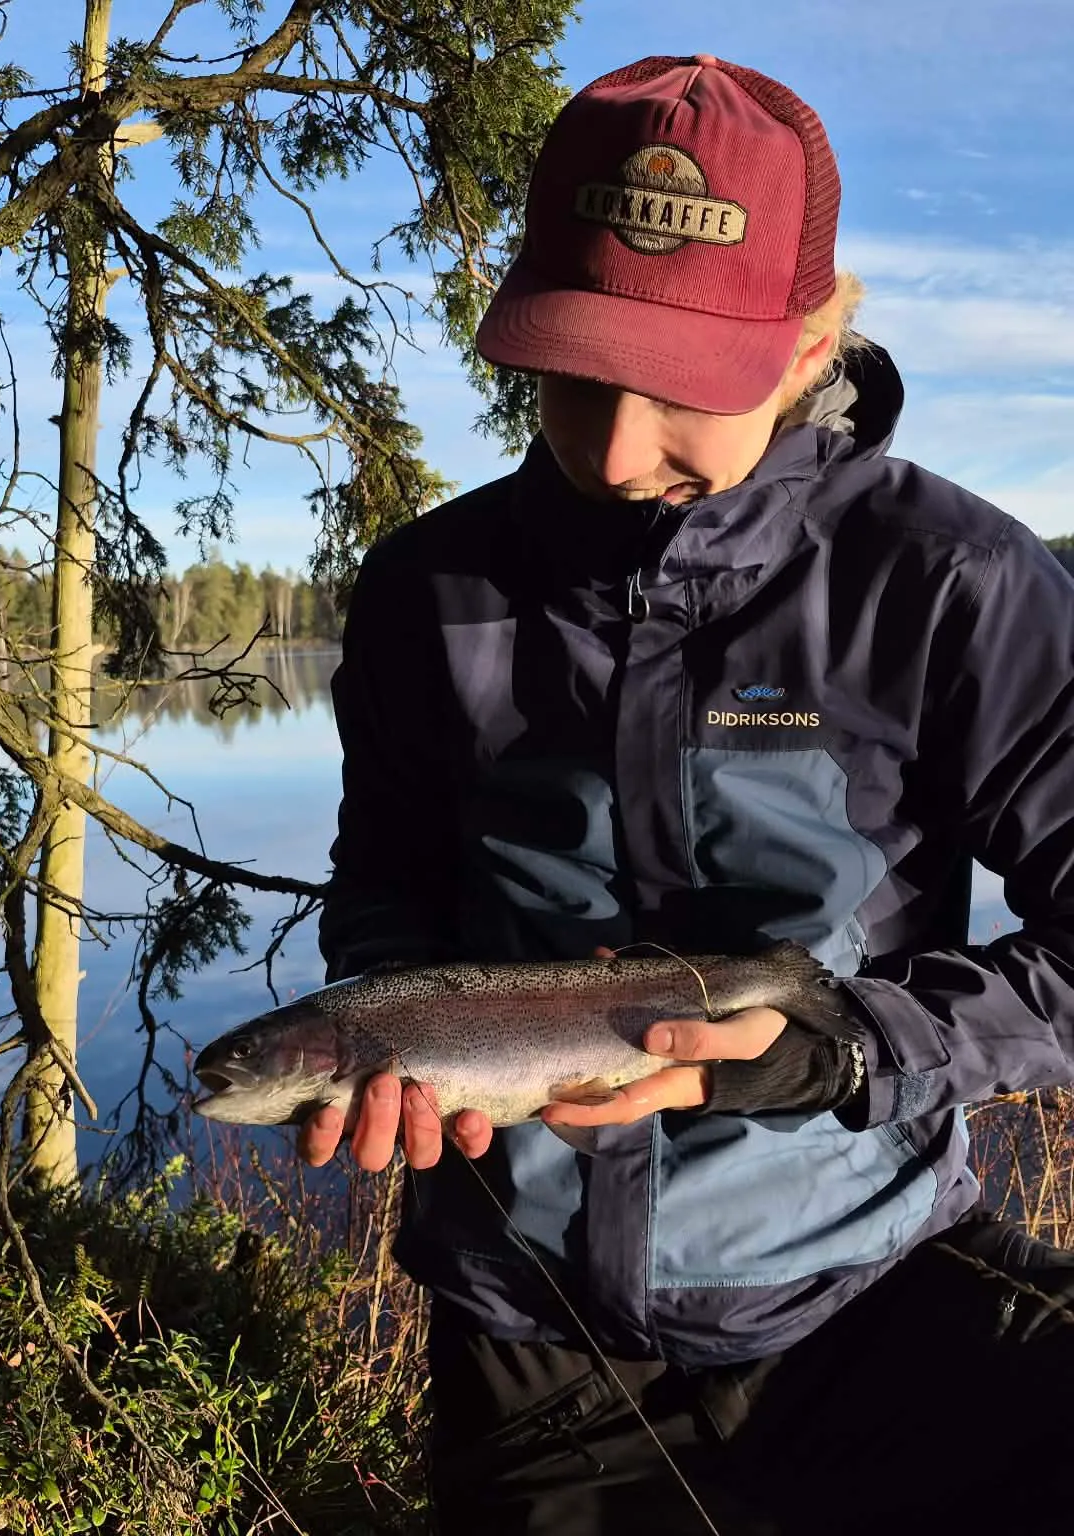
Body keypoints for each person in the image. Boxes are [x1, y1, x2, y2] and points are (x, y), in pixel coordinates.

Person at [307, 54, 1074, 1536]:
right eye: (575, 370)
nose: (610, 445)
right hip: (528, 1345)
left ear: (812, 337)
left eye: (678, 388)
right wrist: (389, 1028)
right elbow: (385, 880)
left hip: (876, 1294)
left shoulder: (954, 586)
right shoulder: (426, 592)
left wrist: (845, 1044)